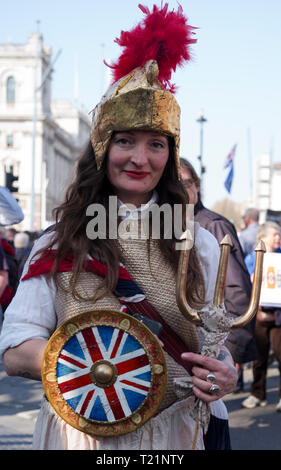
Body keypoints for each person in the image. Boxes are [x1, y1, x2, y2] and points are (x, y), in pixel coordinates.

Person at [0, 4, 237, 450]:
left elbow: (216, 348)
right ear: (102, 150)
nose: (139, 158)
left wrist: (226, 370)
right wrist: (102, 369)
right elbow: (15, 352)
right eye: (124, 140)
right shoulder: (59, 240)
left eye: (156, 144)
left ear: (170, 156)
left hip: (174, 436)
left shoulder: (198, 242)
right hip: (82, 436)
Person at [180, 158, 257, 393]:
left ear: (197, 186)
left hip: (209, 349)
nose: (180, 190)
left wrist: (229, 349)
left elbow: (235, 289)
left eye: (185, 183)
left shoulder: (211, 226)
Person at [242, 222, 281, 410]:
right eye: (274, 234)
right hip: (258, 314)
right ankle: (257, 393)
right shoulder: (253, 258)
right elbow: (247, 280)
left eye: (279, 235)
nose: (277, 238)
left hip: (279, 315)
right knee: (259, 358)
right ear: (262, 237)